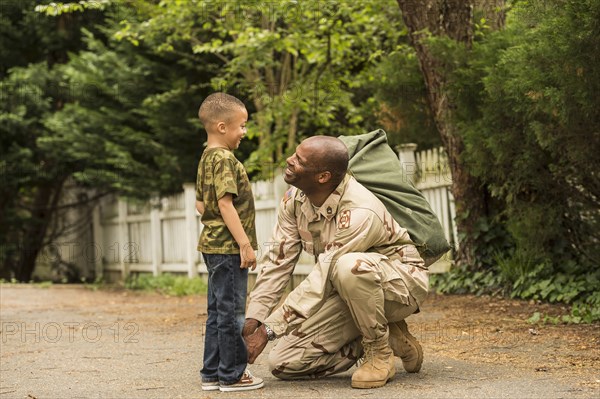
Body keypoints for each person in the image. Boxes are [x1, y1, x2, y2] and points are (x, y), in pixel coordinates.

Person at [242, 136, 428, 389]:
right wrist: (253, 320)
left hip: (400, 287)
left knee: (350, 267)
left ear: (323, 177)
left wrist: (269, 331)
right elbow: (277, 261)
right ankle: (388, 334)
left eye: (299, 160)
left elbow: (323, 275)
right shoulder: (295, 200)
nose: (289, 160)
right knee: (283, 363)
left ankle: (379, 353)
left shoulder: (360, 210)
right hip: (347, 290)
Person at [195, 92, 263, 392]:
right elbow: (225, 204)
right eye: (241, 126)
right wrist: (245, 244)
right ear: (222, 127)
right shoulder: (225, 159)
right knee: (232, 311)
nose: (244, 132)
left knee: (216, 311)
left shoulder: (206, 158)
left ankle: (211, 372)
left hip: (211, 245)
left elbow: (201, 205)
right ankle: (233, 374)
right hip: (227, 248)